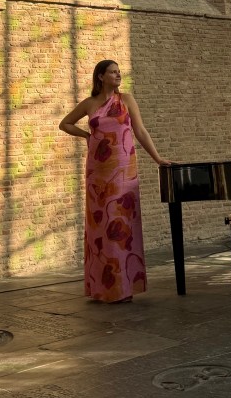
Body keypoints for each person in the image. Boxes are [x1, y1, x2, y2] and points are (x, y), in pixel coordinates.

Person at [59, 60, 170, 303]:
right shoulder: (89, 103)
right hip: (97, 171)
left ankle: (123, 288)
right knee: (100, 226)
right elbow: (64, 124)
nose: (118, 75)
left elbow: (140, 131)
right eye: (113, 72)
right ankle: (102, 289)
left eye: (119, 72)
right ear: (100, 76)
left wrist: (158, 158)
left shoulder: (126, 100)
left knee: (120, 223)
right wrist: (87, 136)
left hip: (123, 169)